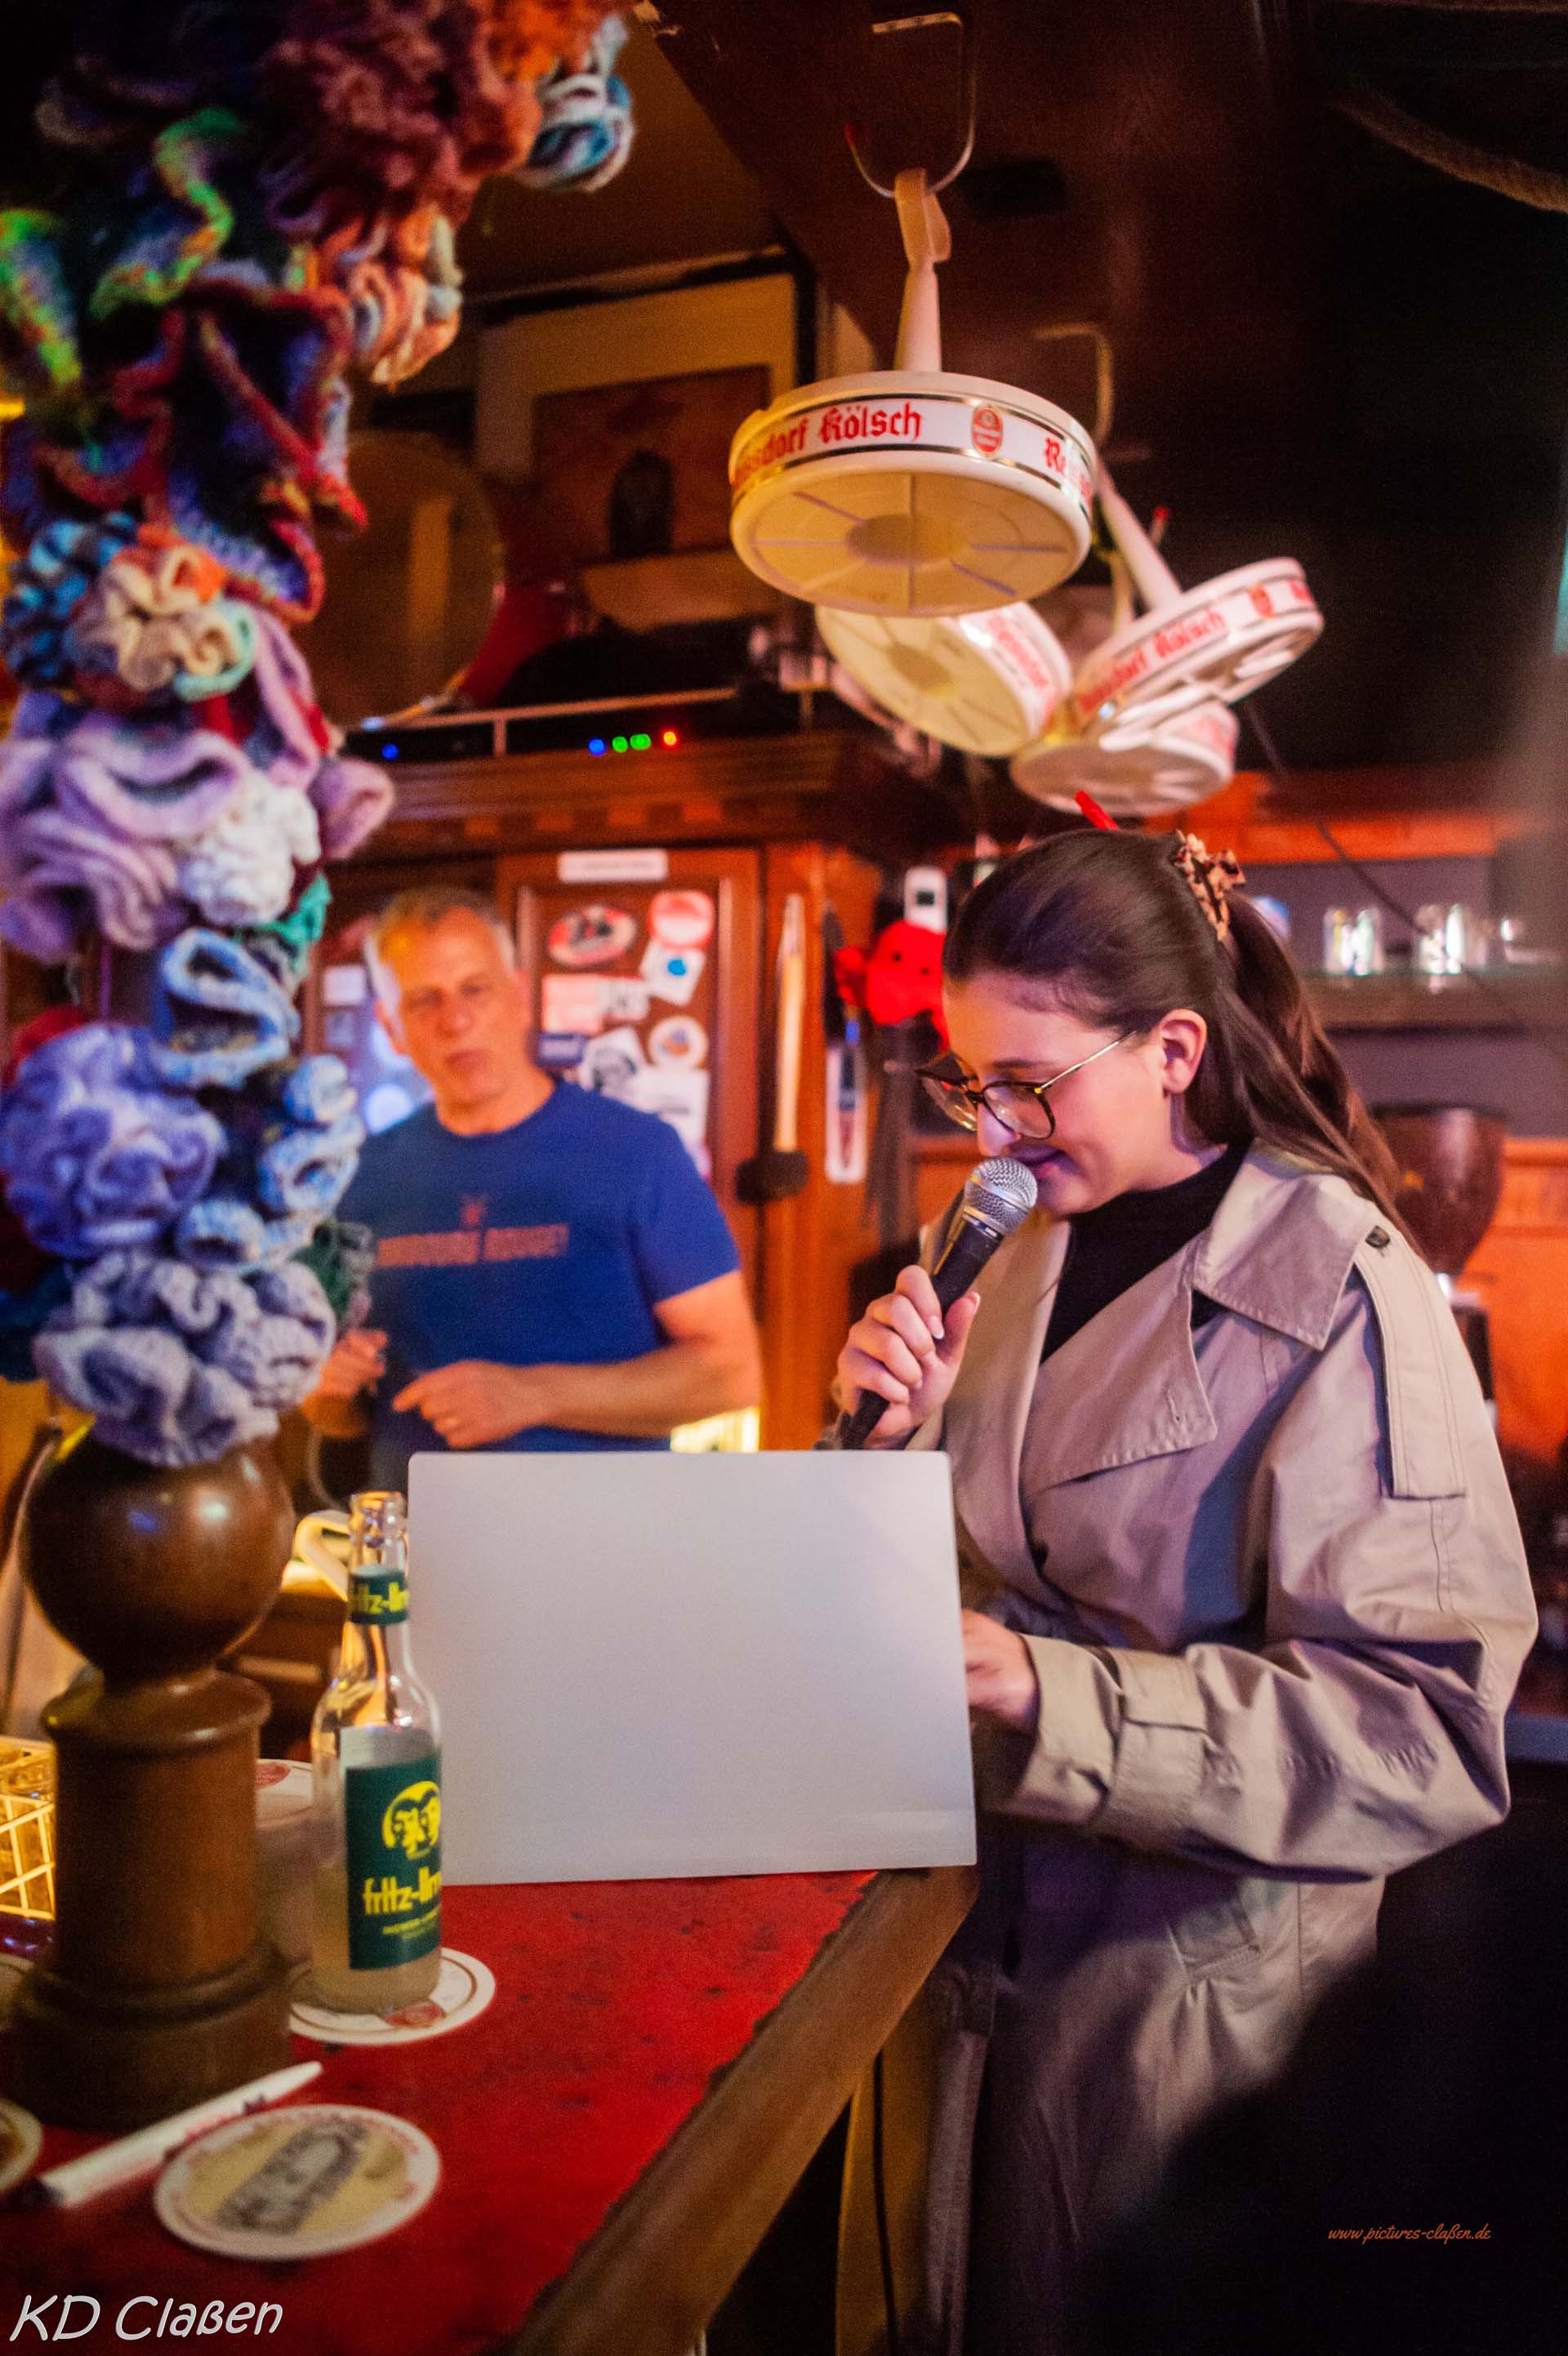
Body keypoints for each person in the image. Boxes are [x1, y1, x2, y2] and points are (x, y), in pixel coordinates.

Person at [832, 824, 1536, 2356]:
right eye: (969, 1083)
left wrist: (1043, 1692)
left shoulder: (1340, 1284)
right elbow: (980, 1576)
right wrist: (894, 1446)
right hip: (958, 1958)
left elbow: (1422, 1733)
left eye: (1031, 1084)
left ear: (1170, 1050)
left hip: (1181, 2007)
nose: (994, 1130)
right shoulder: (1003, 1243)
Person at [304, 887, 760, 1484]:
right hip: (421, 1534)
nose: (455, 1021)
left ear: (520, 996)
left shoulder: (636, 1152)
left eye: (475, 989)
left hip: (605, 1531)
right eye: (424, 1000)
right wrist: (326, 1390)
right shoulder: (359, 1177)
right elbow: (336, 1416)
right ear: (391, 1027)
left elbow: (731, 1374)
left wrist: (533, 1395)